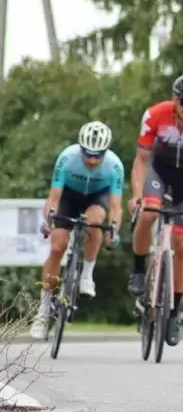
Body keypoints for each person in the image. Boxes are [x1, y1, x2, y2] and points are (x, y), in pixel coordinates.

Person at [128, 74, 183, 346]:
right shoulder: (155, 115)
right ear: (175, 99)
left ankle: (174, 313)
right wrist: (137, 195)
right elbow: (141, 161)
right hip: (158, 172)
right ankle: (138, 269)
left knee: (182, 245)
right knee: (149, 213)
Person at [31, 122, 124, 339]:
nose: (92, 160)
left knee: (95, 221)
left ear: (106, 152)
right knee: (57, 247)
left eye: (98, 156)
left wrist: (114, 230)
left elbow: (116, 207)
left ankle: (87, 274)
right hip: (69, 197)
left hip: (96, 197)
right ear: (80, 148)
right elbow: (53, 198)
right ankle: (43, 310)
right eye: (88, 154)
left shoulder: (115, 166)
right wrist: (48, 221)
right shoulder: (66, 158)